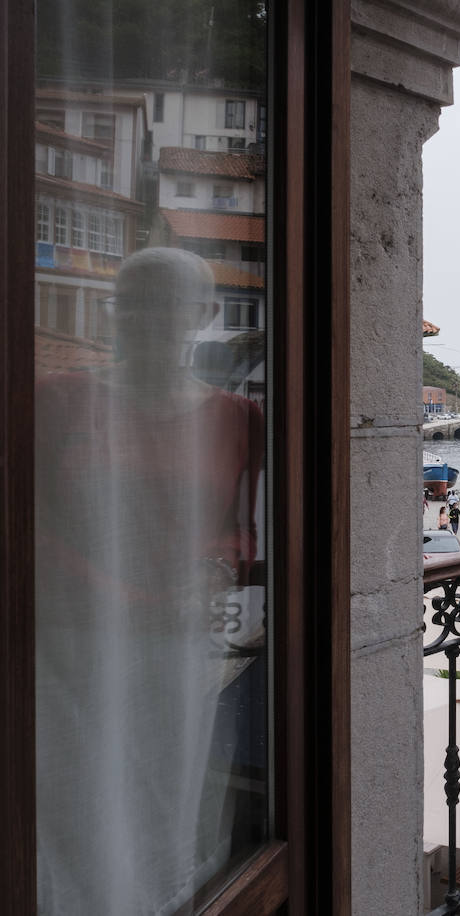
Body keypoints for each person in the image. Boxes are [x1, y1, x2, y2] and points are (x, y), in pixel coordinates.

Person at [34, 248, 265, 913]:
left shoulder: (238, 419)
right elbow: (33, 522)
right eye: (133, 302)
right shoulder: (60, 400)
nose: (149, 318)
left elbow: (244, 526)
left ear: (204, 314)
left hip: (177, 652)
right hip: (72, 646)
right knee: (77, 800)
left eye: (167, 303)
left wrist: (217, 569)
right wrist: (129, 600)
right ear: (117, 312)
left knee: (164, 795)